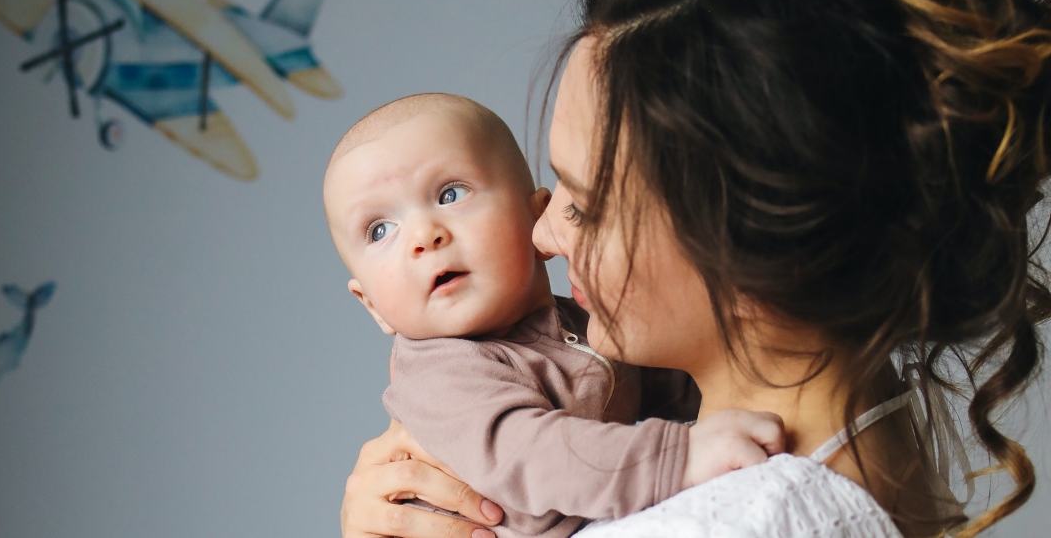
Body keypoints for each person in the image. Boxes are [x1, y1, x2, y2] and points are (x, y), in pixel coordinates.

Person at [339, 0, 1050, 537]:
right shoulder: (863, 422)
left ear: (745, 244)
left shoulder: (737, 515)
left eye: (582, 204)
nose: (544, 236)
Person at [324, 93, 787, 538]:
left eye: (449, 194)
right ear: (371, 306)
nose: (423, 236)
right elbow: (530, 455)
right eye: (379, 229)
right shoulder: (440, 373)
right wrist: (679, 457)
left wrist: (761, 381)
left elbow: (669, 383)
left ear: (538, 218)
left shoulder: (581, 322)